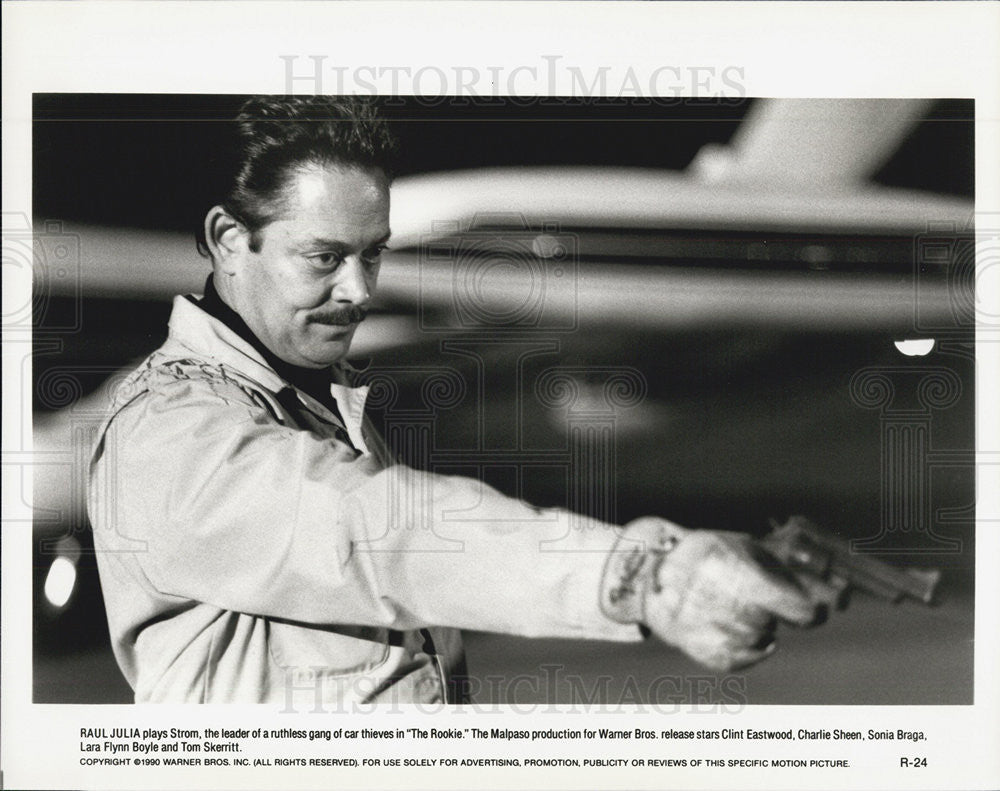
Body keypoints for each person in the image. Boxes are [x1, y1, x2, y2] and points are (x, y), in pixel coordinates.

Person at [87, 95, 822, 706]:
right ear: (226, 239)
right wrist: (645, 577)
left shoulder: (317, 401)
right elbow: (383, 537)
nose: (360, 290)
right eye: (324, 257)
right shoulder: (172, 430)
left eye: (373, 252)